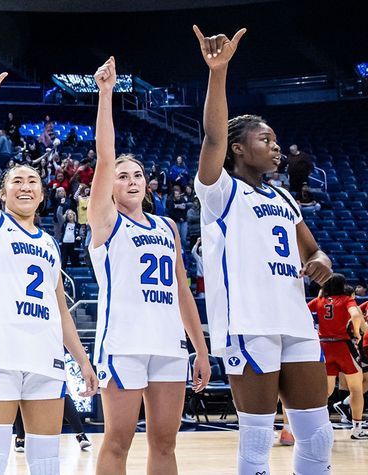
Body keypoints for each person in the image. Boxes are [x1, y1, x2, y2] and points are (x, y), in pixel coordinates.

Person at [192, 26, 334, 474]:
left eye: (275, 141)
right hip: (248, 322)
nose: (275, 147)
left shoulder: (284, 198)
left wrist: (318, 265)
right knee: (257, 441)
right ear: (239, 149)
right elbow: (213, 139)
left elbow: (315, 251)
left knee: (319, 434)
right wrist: (219, 72)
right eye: (265, 140)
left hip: (294, 317)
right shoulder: (221, 192)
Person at [0, 69, 98, 475]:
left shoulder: (50, 243)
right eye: (17, 181)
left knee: (46, 463)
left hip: (45, 356)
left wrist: (83, 362)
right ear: (2, 193)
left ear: (43, 193)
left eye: (33, 181)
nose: (26, 185)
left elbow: (61, 312)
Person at [88, 57, 212, 473]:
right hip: (123, 344)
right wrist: (106, 94)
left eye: (137, 174)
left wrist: (200, 347)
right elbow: (105, 157)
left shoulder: (167, 226)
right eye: (123, 176)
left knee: (164, 443)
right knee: (118, 441)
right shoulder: (105, 220)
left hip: (167, 345)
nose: (131, 180)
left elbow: (182, 291)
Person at [306, 273, 366, 439]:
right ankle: (357, 428)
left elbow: (301, 311)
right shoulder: (347, 300)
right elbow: (355, 315)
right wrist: (356, 333)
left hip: (324, 346)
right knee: (356, 388)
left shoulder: (318, 301)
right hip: (343, 346)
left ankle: (316, 427)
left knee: (325, 391)